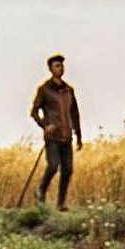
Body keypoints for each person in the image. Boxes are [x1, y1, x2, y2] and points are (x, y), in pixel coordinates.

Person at [25, 54, 82, 204]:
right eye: (57, 66)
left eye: (62, 66)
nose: (60, 68)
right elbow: (34, 112)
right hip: (53, 136)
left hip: (66, 134)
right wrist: (45, 125)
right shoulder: (44, 90)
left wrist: (79, 135)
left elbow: (74, 113)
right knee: (53, 166)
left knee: (68, 170)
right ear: (50, 69)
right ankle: (41, 191)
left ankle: (61, 203)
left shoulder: (69, 90)